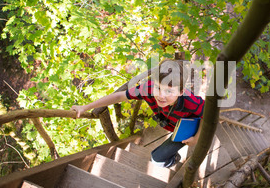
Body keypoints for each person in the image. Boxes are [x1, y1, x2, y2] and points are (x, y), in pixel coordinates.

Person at [71, 59, 205, 169]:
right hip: (172, 125)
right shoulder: (147, 89)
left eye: (169, 91)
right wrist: (86, 107)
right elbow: (118, 97)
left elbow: (208, 116)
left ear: (181, 92)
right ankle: (173, 156)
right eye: (158, 87)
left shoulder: (190, 102)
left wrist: (197, 137)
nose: (161, 96)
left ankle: (172, 159)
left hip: (187, 130)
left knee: (156, 159)